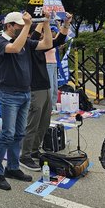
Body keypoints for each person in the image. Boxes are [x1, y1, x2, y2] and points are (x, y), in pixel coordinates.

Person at [0, 11, 52, 191]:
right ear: (9, 26)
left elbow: (47, 44)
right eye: (19, 25)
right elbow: (15, 48)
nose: (23, 27)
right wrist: (27, 27)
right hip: (9, 94)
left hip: (25, 93)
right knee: (7, 134)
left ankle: (13, 167)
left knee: (19, 134)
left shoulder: (25, 41)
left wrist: (46, 23)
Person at [19, 14, 71, 171]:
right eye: (40, 33)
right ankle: (25, 155)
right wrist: (44, 21)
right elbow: (44, 39)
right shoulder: (27, 44)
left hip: (44, 86)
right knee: (32, 123)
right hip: (34, 88)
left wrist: (66, 23)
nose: (43, 36)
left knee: (44, 122)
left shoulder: (37, 44)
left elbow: (58, 41)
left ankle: (35, 150)